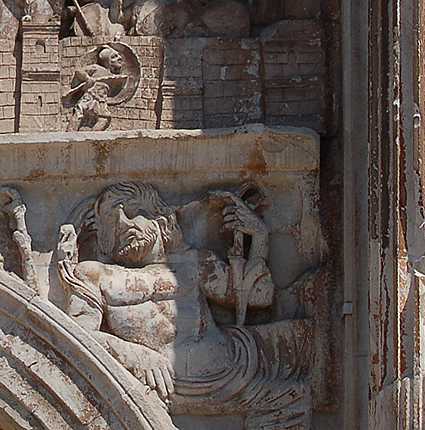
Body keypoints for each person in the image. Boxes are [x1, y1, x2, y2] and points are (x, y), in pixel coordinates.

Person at [53, 181, 310, 427]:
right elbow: (78, 339)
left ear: (160, 217)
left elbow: (258, 296)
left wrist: (260, 237)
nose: (122, 224)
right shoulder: (96, 275)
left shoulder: (197, 263)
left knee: (295, 393)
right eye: (111, 221)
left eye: (132, 213)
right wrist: (135, 354)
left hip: (233, 374)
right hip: (155, 387)